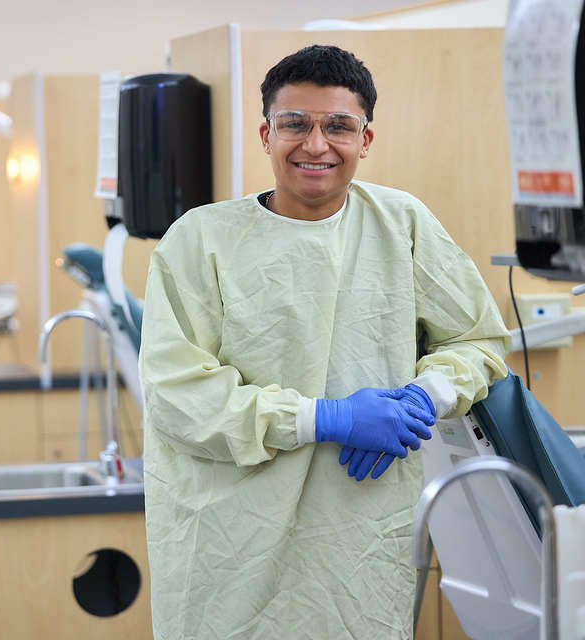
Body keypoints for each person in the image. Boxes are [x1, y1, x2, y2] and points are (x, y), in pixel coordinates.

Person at [139, 44, 511, 639]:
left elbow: (479, 339)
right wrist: (323, 418)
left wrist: (426, 397)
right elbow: (178, 396)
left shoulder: (401, 224)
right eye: (296, 124)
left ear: (365, 139)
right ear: (266, 134)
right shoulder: (199, 240)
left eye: (338, 126)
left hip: (355, 543)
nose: (316, 145)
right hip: (231, 547)